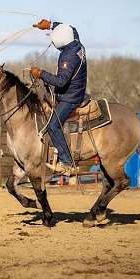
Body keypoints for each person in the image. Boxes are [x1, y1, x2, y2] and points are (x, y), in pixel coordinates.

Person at [30, 19, 87, 175]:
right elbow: (72, 27)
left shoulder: (68, 57)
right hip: (78, 89)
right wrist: (50, 24)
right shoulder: (76, 42)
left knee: (53, 126)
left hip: (71, 96)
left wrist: (40, 74)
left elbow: (61, 82)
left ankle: (67, 162)